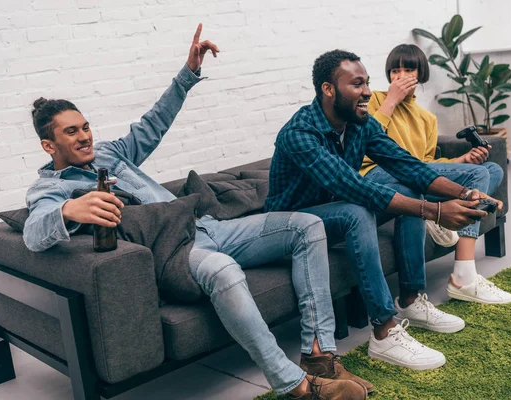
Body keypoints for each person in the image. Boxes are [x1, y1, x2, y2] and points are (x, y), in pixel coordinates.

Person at [22, 26, 369, 399]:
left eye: (86, 126)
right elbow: (33, 234)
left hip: (205, 227)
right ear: (48, 144)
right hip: (174, 254)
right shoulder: (51, 189)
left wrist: (188, 74)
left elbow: (153, 124)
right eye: (72, 132)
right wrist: (71, 209)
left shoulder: (108, 154)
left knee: (308, 226)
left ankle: (318, 355)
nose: (85, 136)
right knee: (223, 269)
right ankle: (295, 385)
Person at [265, 49, 503, 370]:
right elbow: (356, 188)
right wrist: (435, 211)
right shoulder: (300, 134)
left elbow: (409, 166)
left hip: (328, 217)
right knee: (357, 209)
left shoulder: (359, 125)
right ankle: (384, 331)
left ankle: (410, 299)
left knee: (408, 186)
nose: (366, 92)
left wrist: (467, 193)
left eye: (367, 83)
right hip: (287, 228)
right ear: (328, 89)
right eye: (357, 84)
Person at [360, 44, 511, 305]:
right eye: (394, 71)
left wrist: (461, 160)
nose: (400, 76)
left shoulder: (426, 118)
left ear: (420, 74)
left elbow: (427, 163)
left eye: (408, 69)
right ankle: (464, 277)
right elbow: (363, 139)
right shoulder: (375, 99)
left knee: (492, 170)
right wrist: (391, 100)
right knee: (477, 177)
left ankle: (437, 210)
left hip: (415, 175)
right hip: (378, 173)